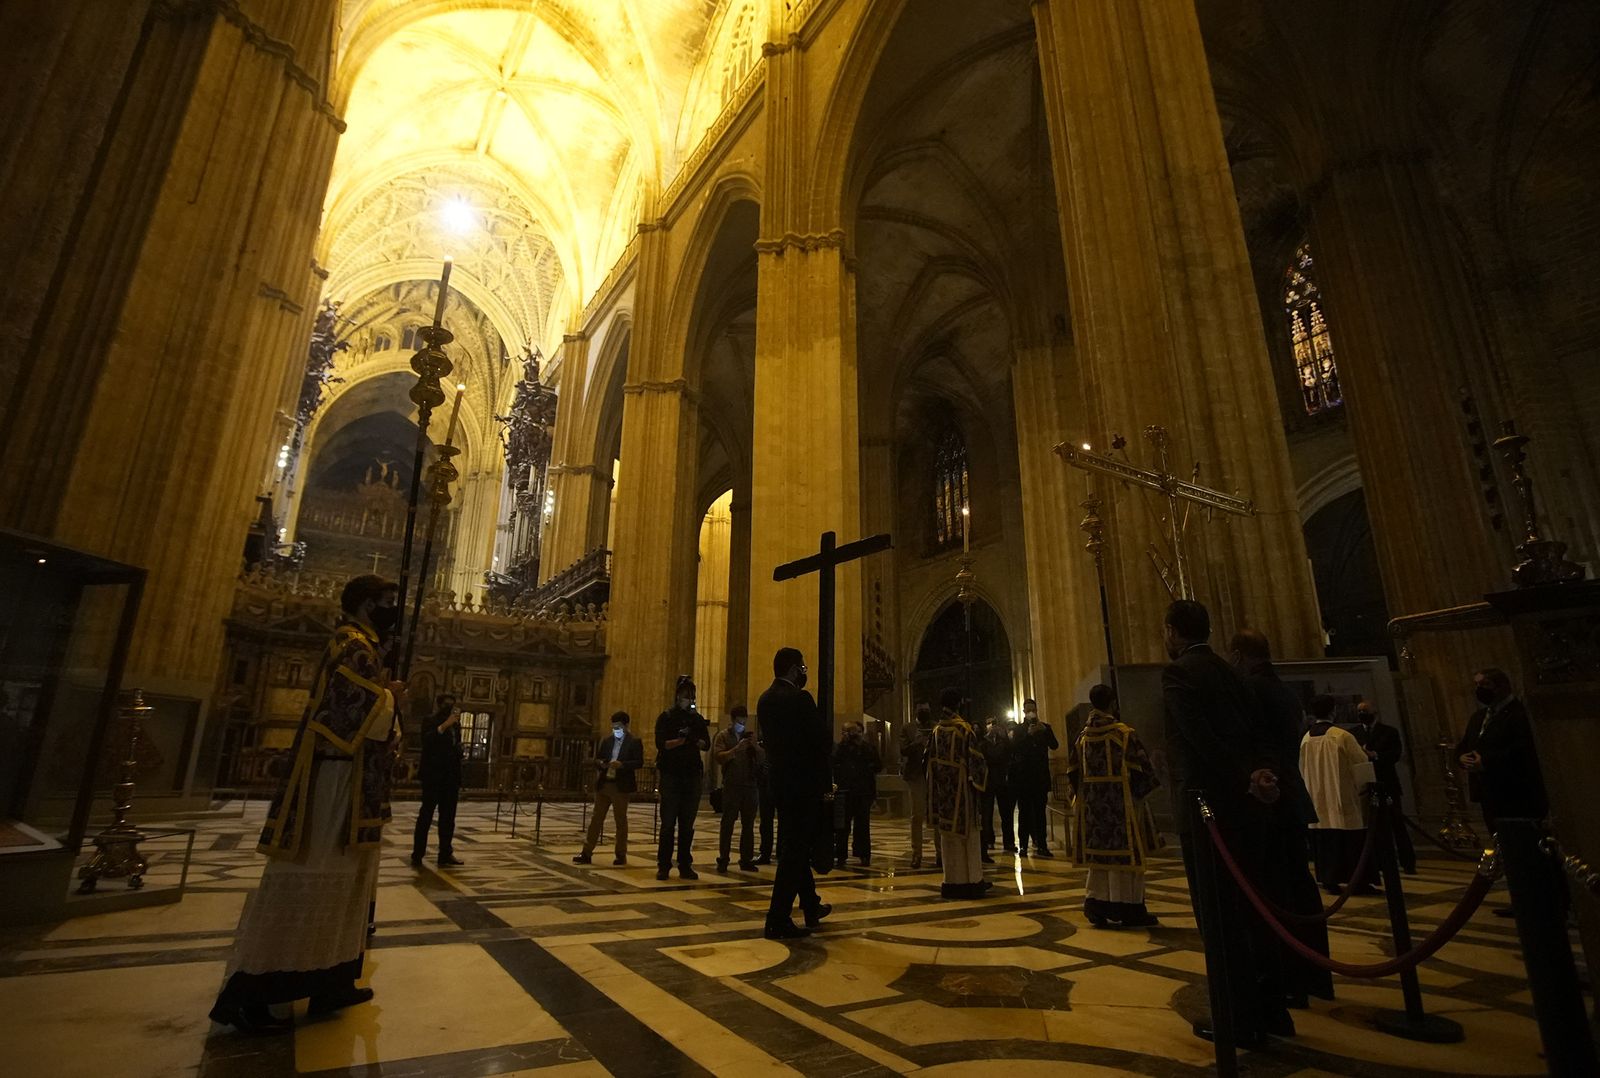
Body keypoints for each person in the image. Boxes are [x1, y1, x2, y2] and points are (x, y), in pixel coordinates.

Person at [210, 574, 403, 1034]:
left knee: (348, 882)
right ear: (363, 604)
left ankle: (332, 978)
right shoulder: (350, 643)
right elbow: (343, 711)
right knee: (311, 876)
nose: (391, 609)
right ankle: (250, 995)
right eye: (385, 602)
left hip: (352, 782)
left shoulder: (363, 645)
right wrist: (393, 699)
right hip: (332, 782)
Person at [1161, 599, 1295, 1046]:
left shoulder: (1179, 673)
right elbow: (1261, 735)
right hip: (1248, 807)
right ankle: (1272, 1010)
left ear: (1173, 633)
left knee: (1218, 919)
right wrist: (1260, 773)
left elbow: (1199, 741)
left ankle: (1236, 1018)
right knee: (1253, 909)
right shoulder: (1235, 674)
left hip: (1207, 812)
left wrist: (1241, 775)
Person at [1066, 684, 1160, 928]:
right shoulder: (1124, 734)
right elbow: (1143, 771)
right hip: (1122, 807)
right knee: (1125, 858)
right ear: (1113, 703)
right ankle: (1129, 907)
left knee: (1100, 860)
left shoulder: (1082, 737)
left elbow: (1072, 772)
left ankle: (1097, 903)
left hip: (1094, 811)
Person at [760, 647, 832, 939]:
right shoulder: (800, 700)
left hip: (779, 785)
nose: (805, 671)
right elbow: (822, 742)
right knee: (794, 852)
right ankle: (777, 918)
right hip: (803, 787)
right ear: (793, 669)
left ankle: (811, 906)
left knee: (795, 847)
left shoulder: (764, 700)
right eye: (802, 667)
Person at [1455, 668, 1547, 833]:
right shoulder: (1478, 717)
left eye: (1485, 684)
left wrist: (1485, 761)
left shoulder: (1519, 713)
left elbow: (1524, 749)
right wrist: (1461, 757)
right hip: (1487, 791)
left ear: (1502, 686)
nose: (1479, 690)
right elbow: (1465, 744)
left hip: (1514, 789)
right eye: (1477, 685)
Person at [1301, 695, 1376, 896]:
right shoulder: (1341, 736)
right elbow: (1360, 764)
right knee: (1350, 839)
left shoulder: (1307, 738)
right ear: (1333, 711)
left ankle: (1329, 878)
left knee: (1326, 840)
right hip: (1343, 796)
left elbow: (1302, 769)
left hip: (1318, 799)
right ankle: (1358, 881)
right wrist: (1366, 786)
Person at [928, 689, 989, 898]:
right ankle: (973, 880)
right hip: (963, 791)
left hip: (944, 793)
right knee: (969, 836)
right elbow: (977, 760)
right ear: (959, 705)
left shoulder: (936, 731)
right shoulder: (964, 729)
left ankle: (952, 880)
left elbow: (929, 763)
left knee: (948, 838)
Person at [654, 675, 710, 881]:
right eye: (686, 695)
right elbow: (662, 744)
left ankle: (685, 864)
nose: (689, 698)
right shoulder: (666, 717)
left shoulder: (696, 719)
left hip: (692, 776)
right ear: (678, 695)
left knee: (687, 825)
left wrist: (693, 738)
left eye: (692, 695)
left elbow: (706, 744)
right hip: (671, 775)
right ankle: (664, 865)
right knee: (668, 824)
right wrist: (680, 740)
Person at [1353, 699, 1415, 875]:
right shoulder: (1354, 733)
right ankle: (1378, 862)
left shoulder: (1389, 732)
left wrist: (1375, 755)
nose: (1362, 714)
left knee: (1397, 825)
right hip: (1365, 785)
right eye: (1359, 711)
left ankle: (1408, 862)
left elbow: (1395, 754)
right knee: (1371, 827)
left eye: (1365, 710)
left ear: (1375, 712)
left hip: (1387, 783)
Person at [573, 711, 644, 865]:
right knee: (596, 819)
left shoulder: (634, 742)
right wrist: (601, 763)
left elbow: (639, 762)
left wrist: (623, 765)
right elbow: (598, 758)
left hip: (621, 785)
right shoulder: (607, 741)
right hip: (605, 783)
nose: (616, 730)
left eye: (618, 727)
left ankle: (620, 854)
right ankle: (586, 852)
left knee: (620, 821)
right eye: (614, 727)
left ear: (626, 726)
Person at [412, 695, 464, 868]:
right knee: (426, 815)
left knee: (448, 817)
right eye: (447, 704)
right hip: (433, 776)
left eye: (452, 705)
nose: (450, 708)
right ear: (439, 705)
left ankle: (445, 853)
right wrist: (443, 726)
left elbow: (454, 745)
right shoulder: (430, 721)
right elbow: (427, 742)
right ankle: (417, 854)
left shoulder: (456, 725)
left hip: (450, 777)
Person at [713, 705, 761, 872]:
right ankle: (723, 858)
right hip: (732, 785)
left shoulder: (749, 738)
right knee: (728, 823)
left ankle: (746, 858)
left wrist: (754, 746)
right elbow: (718, 757)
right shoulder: (723, 736)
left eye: (744, 721)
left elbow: (762, 759)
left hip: (750, 785)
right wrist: (735, 750)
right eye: (740, 721)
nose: (742, 724)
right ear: (733, 721)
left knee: (748, 824)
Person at [832, 720, 881, 866]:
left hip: (863, 791)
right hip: (845, 791)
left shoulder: (867, 748)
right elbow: (835, 764)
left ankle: (863, 854)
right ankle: (841, 854)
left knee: (862, 826)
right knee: (842, 825)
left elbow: (878, 765)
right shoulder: (840, 749)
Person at [1013, 699, 1058, 857]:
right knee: (1024, 813)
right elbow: (1015, 749)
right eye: (1028, 710)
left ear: (1037, 710)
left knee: (1040, 813)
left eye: (1033, 709)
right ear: (1024, 712)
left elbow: (1054, 745)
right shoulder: (1018, 730)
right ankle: (1023, 846)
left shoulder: (1045, 727)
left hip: (1040, 778)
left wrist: (1045, 730)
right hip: (1024, 779)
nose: (1031, 713)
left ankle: (1042, 845)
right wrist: (1028, 735)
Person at [899, 703, 937, 868]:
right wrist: (917, 742)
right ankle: (917, 853)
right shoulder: (907, 728)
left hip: (933, 774)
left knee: (936, 814)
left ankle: (941, 854)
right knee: (917, 815)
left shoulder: (935, 727)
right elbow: (903, 749)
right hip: (916, 774)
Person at [979, 716, 1015, 858]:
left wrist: (1005, 738)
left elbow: (1008, 755)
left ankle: (1009, 842)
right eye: (989, 724)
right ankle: (987, 842)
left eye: (994, 724)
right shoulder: (983, 742)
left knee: (1006, 813)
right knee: (986, 815)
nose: (992, 727)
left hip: (1002, 781)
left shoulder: (1004, 742)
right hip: (988, 782)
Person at [755, 726, 775, 865]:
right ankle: (765, 852)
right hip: (765, 786)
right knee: (766, 821)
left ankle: (780, 851)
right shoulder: (761, 748)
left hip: (778, 784)